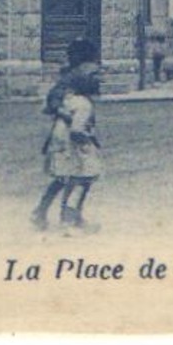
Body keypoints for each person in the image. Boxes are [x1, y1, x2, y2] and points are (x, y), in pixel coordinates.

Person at [32, 65, 103, 233]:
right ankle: (70, 220)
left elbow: (47, 107)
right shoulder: (84, 104)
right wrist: (88, 142)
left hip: (59, 143)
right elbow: (77, 130)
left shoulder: (69, 98)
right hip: (72, 145)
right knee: (84, 178)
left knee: (62, 178)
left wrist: (63, 113)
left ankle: (41, 213)